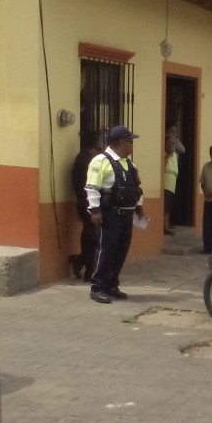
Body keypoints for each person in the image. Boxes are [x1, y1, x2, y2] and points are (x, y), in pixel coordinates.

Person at [85, 125, 144, 304]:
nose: (132, 146)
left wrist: (139, 206)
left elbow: (136, 188)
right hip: (109, 214)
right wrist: (95, 211)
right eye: (130, 142)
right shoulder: (100, 161)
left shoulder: (128, 163)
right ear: (120, 142)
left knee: (121, 251)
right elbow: (92, 188)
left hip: (126, 215)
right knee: (106, 251)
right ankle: (98, 287)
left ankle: (112, 285)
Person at [69, 131, 99, 281]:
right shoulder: (88, 160)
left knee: (90, 234)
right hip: (88, 201)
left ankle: (82, 263)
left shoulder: (81, 158)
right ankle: (85, 266)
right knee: (92, 235)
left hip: (83, 200)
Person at [163, 132, 179, 235]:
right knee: (166, 204)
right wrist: (168, 154)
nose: (171, 144)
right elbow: (163, 165)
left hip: (173, 180)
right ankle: (165, 226)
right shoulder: (165, 153)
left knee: (169, 204)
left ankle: (167, 224)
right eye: (169, 142)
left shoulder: (175, 154)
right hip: (166, 180)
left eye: (173, 142)